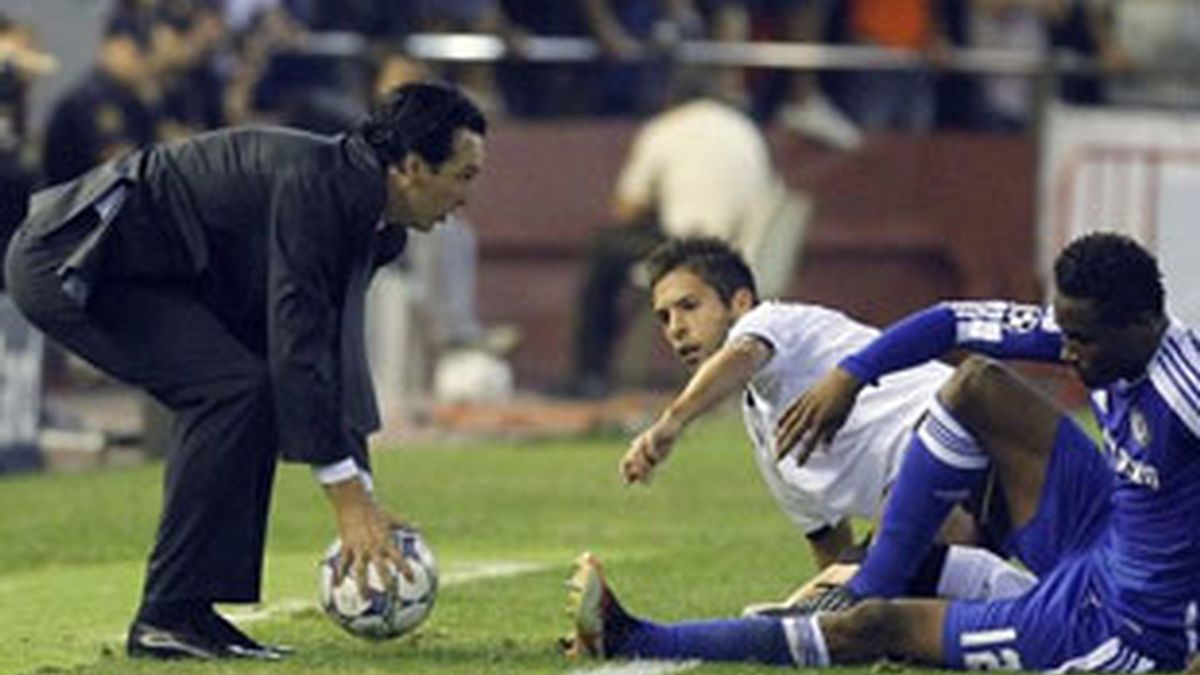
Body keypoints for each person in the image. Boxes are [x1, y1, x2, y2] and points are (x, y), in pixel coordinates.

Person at [5, 81, 486, 660]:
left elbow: (332, 356)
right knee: (232, 388)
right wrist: (347, 501)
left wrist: (362, 494)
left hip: (155, 272)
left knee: (246, 387)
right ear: (411, 166)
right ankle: (169, 616)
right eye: (463, 176)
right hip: (73, 258)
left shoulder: (371, 219)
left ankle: (188, 613)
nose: (466, 199)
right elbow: (298, 343)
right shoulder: (321, 190)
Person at [566, 233, 1200, 672]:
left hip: (1119, 622)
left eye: (1083, 340)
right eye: (1064, 334)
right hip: (1102, 533)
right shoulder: (1086, 330)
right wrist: (853, 374)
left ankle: (639, 637)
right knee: (978, 381)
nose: (1066, 354)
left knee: (874, 627)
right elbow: (951, 320)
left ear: (1143, 324)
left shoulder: (1185, 390)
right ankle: (914, 580)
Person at [619, 237, 1033, 603]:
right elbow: (827, 541)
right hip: (957, 501)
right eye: (664, 317)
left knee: (859, 587)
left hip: (980, 441)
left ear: (740, 302)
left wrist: (672, 422)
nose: (676, 329)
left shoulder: (774, 321)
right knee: (858, 605)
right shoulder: (767, 436)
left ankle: (1021, 596)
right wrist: (835, 608)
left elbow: (741, 356)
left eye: (689, 307)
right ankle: (1022, 598)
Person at [563, 91, 798, 399]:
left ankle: (589, 375)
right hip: (746, 254)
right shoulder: (746, 130)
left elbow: (626, 209)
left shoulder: (666, 129)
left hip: (694, 250)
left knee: (605, 248)